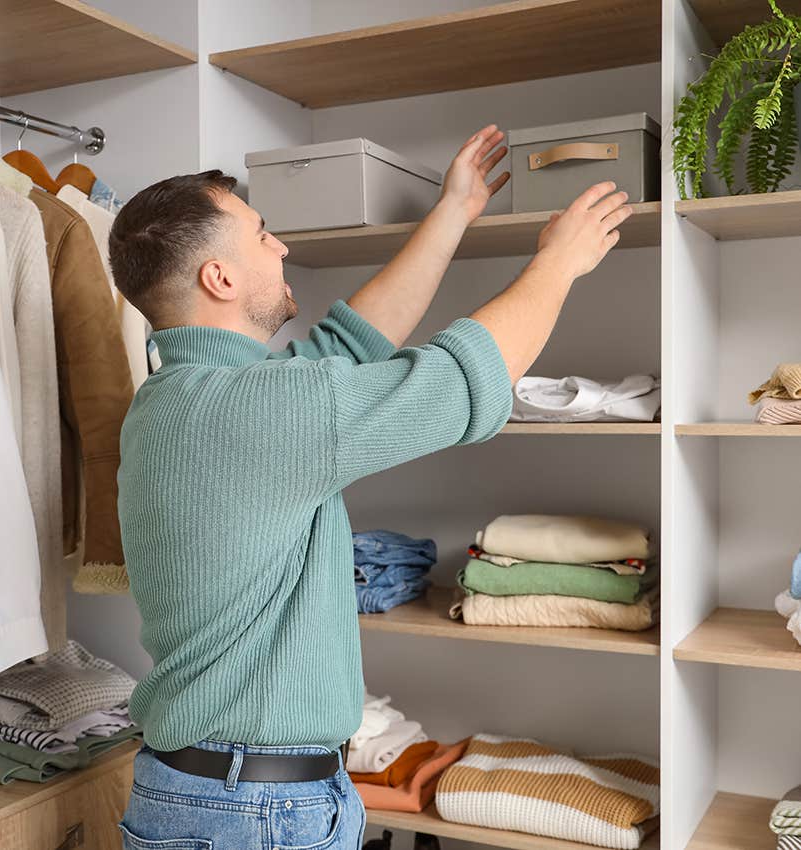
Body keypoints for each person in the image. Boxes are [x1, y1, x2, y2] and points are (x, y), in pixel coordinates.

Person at [108, 125, 631, 850]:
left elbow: (349, 345)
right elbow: (458, 382)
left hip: (215, 795)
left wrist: (453, 211)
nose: (281, 248)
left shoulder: (178, 400)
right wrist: (559, 263)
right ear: (219, 278)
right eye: (262, 235)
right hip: (254, 812)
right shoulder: (254, 410)